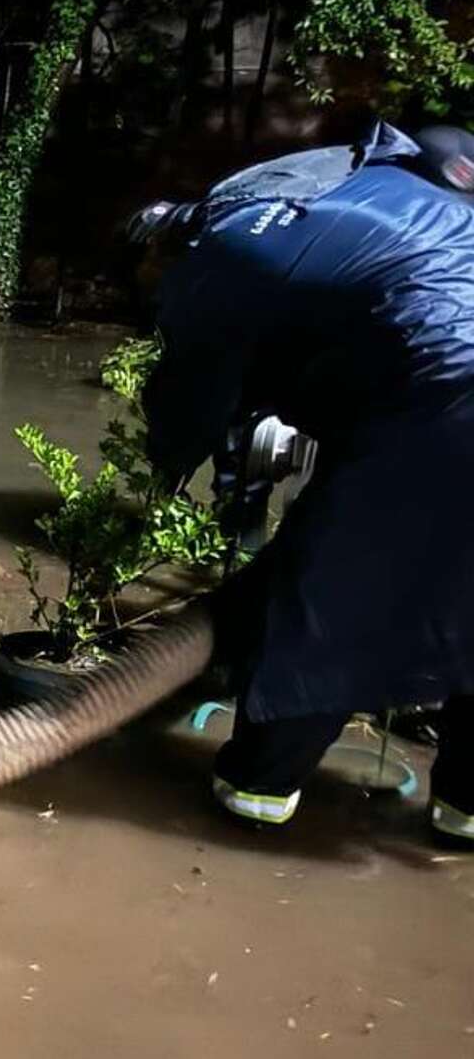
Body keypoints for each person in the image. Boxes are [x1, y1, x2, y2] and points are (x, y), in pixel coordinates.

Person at [140, 121, 474, 843]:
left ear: (161, 253)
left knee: (333, 593)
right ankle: (464, 809)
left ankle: (255, 792)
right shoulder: (335, 193)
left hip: (449, 392)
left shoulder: (218, 253)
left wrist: (160, 480)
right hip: (434, 380)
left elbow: (187, 405)